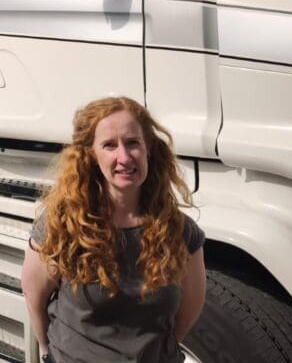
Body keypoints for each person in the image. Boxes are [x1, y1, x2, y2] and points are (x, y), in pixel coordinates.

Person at [21, 96, 206, 363]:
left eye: (133, 143)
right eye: (109, 145)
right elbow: (34, 297)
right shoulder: (61, 225)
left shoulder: (180, 231)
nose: (124, 157)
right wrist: (47, 349)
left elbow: (189, 310)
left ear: (148, 148)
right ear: (91, 155)